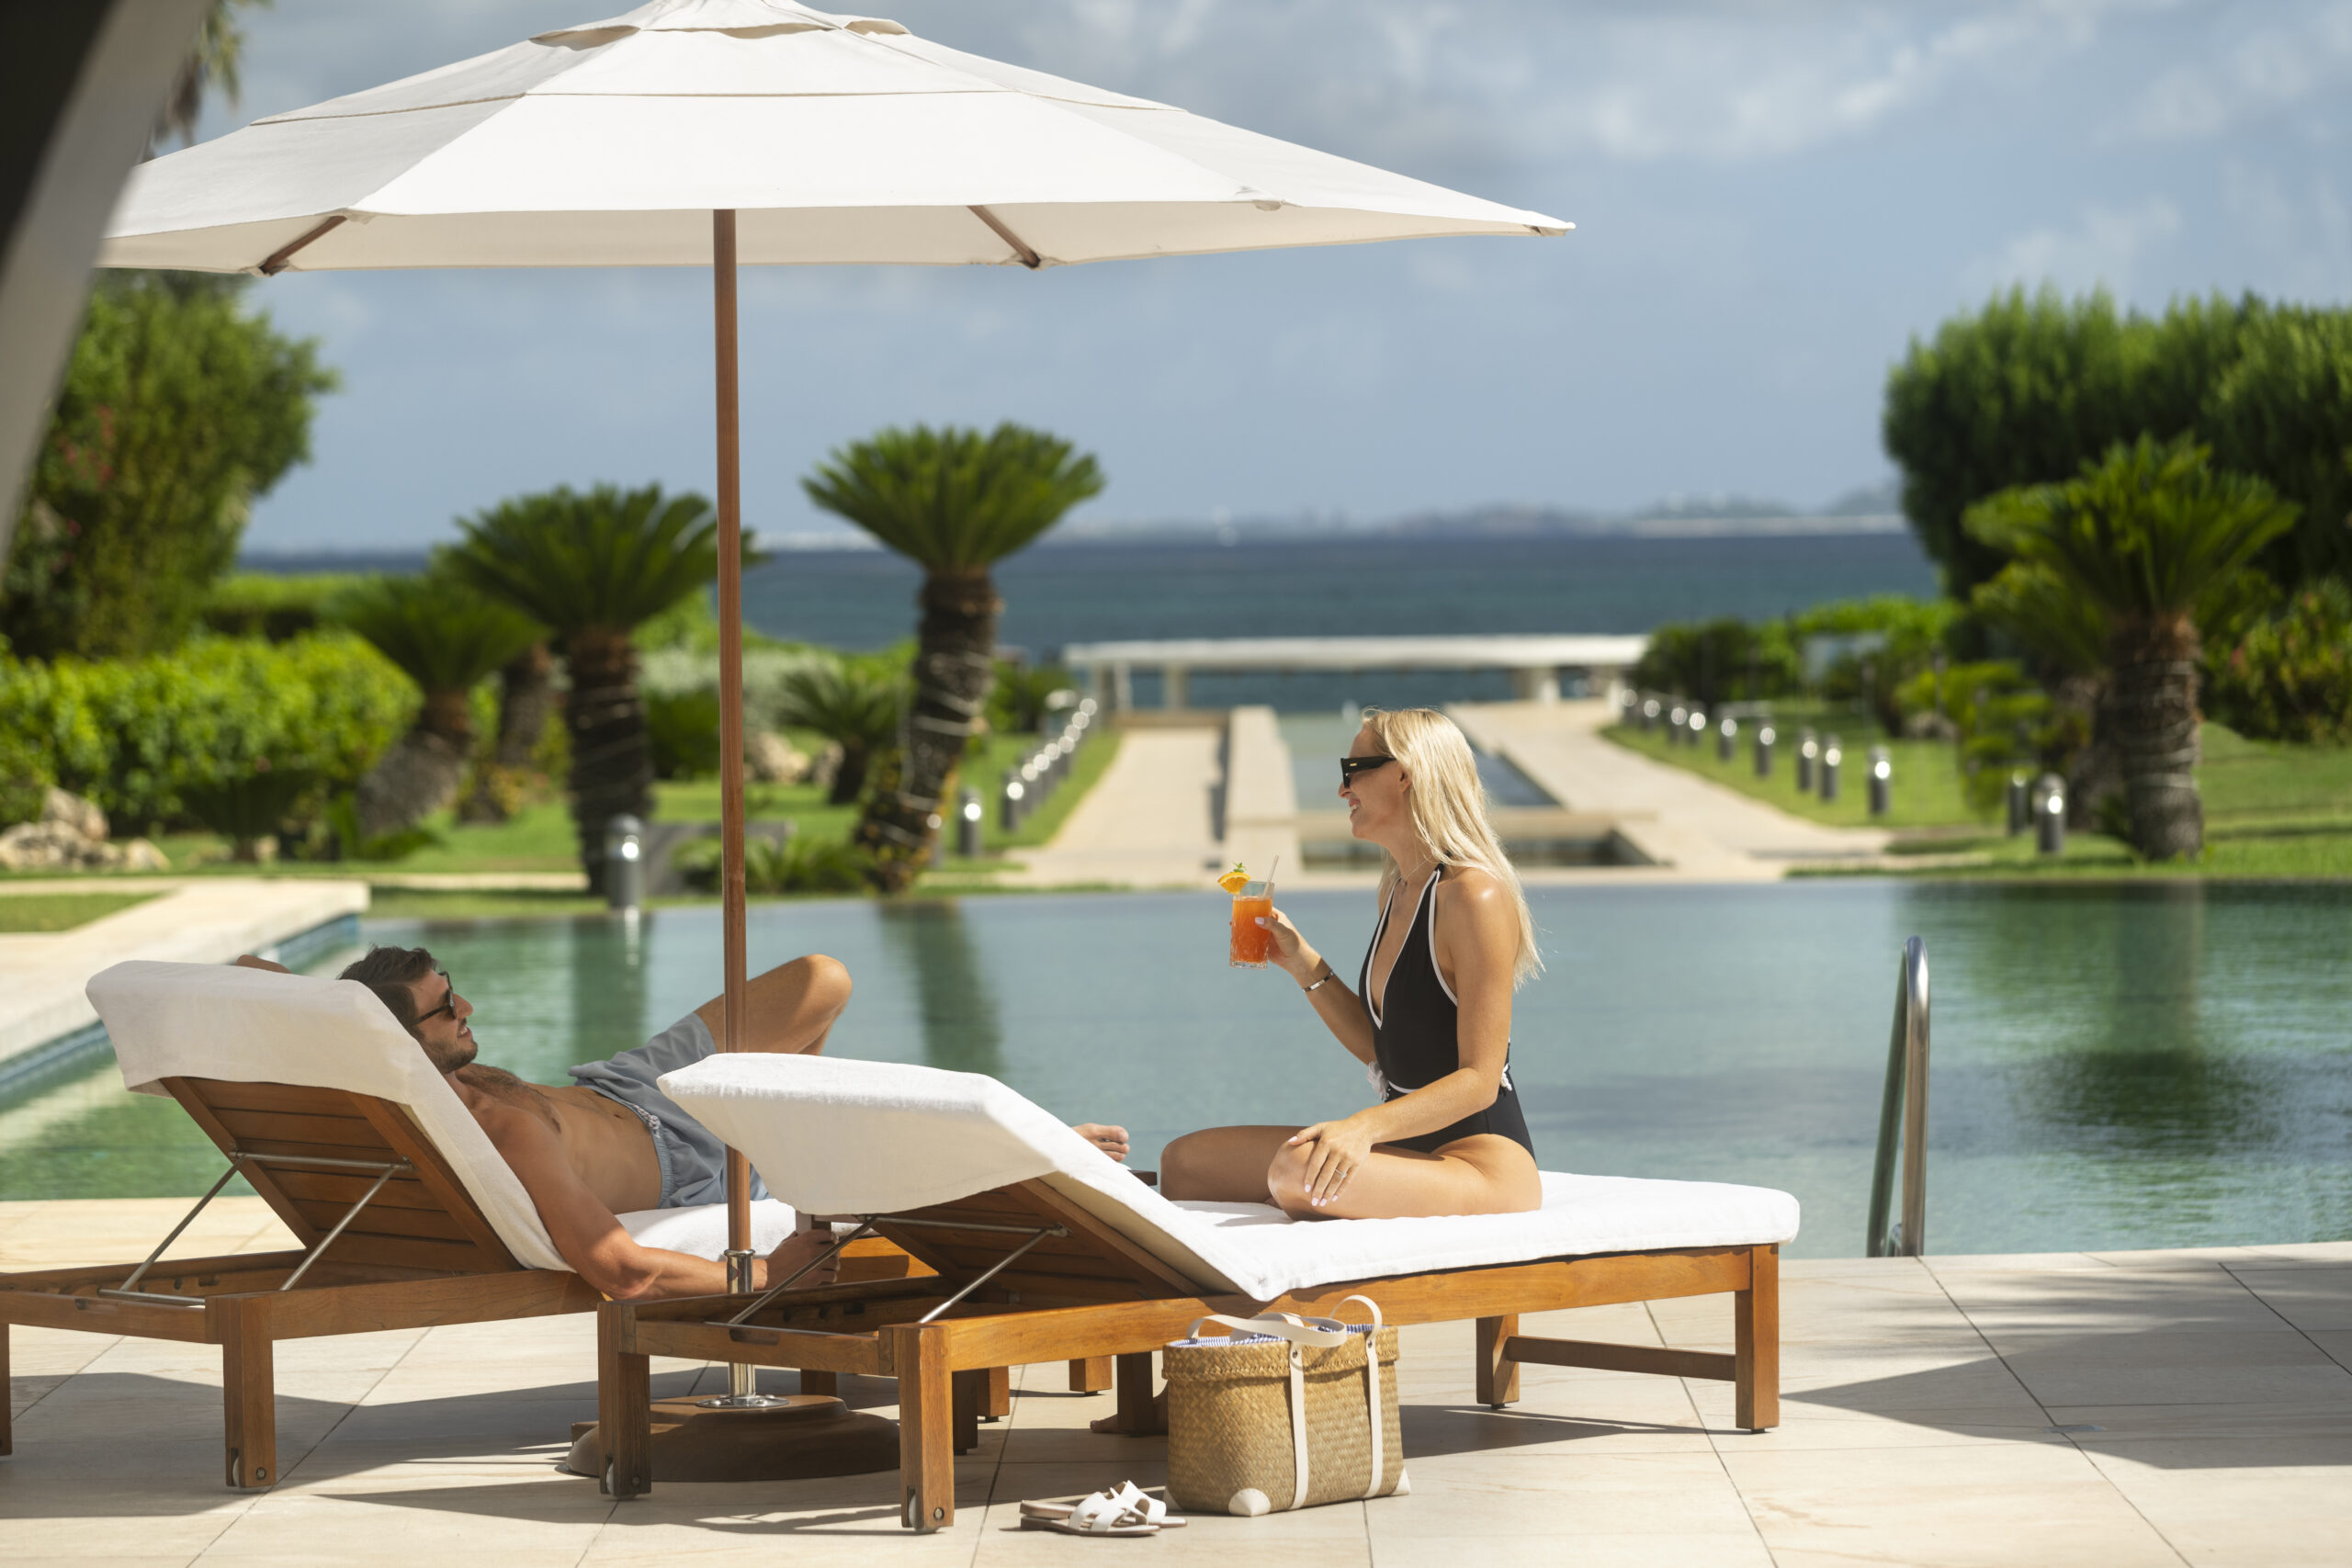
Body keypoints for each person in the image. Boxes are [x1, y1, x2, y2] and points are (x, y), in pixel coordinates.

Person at [234, 946, 1132, 1301]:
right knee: (849, 1117)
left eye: (453, 988)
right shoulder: (502, 1133)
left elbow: (307, 1006)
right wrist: (759, 1273)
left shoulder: (413, 1066)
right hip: (692, 1162)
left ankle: (797, 1126)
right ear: (402, 1039)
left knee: (821, 981)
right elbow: (619, 1270)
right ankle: (1036, 1146)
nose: (467, 1006)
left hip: (632, 1084)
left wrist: (290, 990)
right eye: (446, 1009)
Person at [1162, 706, 1544, 1220]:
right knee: (1187, 1163)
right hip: (1407, 1148)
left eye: (1353, 770)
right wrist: (1302, 962)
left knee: (1296, 1170)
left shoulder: (1473, 896)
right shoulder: (1398, 891)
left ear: (1405, 775)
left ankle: (1306, 1236)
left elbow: (1480, 1078)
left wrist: (1361, 1127)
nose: (1343, 789)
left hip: (1480, 1163)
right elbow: (1386, 1050)